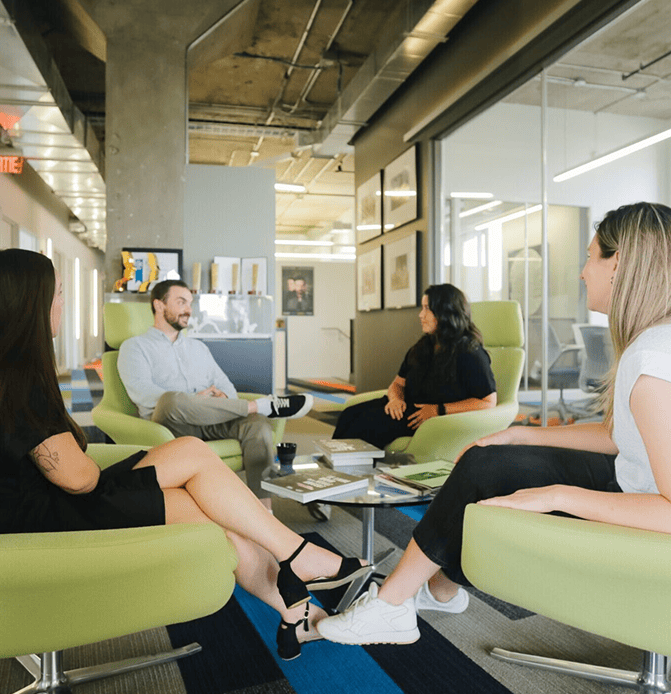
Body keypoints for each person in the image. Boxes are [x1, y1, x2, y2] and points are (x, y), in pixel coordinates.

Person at [318, 201, 671, 646]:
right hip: (632, 479)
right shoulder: (655, 343)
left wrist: (557, 495)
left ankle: (396, 604)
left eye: (588, 256)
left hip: (645, 505)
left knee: (486, 472)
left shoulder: (653, 359)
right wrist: (521, 432)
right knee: (492, 460)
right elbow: (622, 438)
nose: (582, 272)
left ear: (616, 263)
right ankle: (434, 592)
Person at [0, 249, 371, 660]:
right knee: (201, 486)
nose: (64, 304)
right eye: (59, 294)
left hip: (70, 490)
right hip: (51, 509)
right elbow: (80, 477)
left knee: (198, 462)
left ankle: (298, 601)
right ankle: (300, 566)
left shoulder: (20, 371)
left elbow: (224, 389)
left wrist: (217, 399)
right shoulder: (24, 378)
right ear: (32, 304)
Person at [117, 279, 314, 507]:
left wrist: (223, 398)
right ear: (159, 305)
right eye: (181, 302)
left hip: (211, 419)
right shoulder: (134, 347)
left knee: (257, 423)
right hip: (169, 423)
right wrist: (193, 400)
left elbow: (225, 385)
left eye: (190, 303)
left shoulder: (198, 348)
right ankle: (263, 405)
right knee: (170, 400)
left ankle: (264, 509)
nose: (188, 310)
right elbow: (143, 393)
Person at [332, 284, 497, 449]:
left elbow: (488, 402)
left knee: (367, 425)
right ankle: (330, 467)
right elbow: (398, 383)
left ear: (445, 313)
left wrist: (438, 410)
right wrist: (396, 399)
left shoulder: (470, 353)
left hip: (426, 418)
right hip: (403, 408)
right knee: (349, 414)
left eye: (427, 309)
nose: (421, 315)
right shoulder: (423, 346)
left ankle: (346, 469)